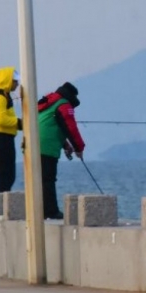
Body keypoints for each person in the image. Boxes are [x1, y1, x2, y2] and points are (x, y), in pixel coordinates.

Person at [37, 82, 86, 220]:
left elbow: (51, 125)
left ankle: (39, 210)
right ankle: (51, 211)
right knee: (48, 179)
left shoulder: (50, 101)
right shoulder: (64, 104)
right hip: (47, 146)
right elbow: (70, 127)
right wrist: (79, 148)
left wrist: (65, 145)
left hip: (34, 145)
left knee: (39, 180)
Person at [0, 67, 22, 193]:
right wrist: (19, 123)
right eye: (15, 81)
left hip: (6, 138)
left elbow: (8, 118)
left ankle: (3, 203)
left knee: (9, 175)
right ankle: (1, 207)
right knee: (4, 175)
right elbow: (1, 119)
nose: (17, 84)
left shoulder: (6, 96)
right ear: (8, 80)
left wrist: (19, 125)